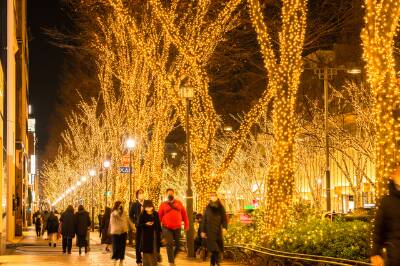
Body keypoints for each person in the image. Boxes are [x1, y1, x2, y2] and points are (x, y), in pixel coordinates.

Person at [371, 166, 400, 266]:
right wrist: (375, 253)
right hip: (395, 258)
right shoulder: (387, 202)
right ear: (393, 176)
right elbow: (378, 231)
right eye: (398, 173)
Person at [158, 188, 189, 266]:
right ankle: (171, 262)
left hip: (177, 227)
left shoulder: (179, 203)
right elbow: (159, 217)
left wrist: (186, 224)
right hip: (166, 227)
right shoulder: (163, 204)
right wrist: (158, 228)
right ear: (166, 195)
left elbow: (184, 214)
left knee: (178, 245)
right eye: (169, 193)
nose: (170, 195)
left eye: (172, 193)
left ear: (173, 194)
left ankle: (172, 258)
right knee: (169, 243)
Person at [201, 192, 228, 266]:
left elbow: (224, 219)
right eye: (211, 196)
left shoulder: (221, 207)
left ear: (217, 197)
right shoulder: (207, 207)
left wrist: (224, 227)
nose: (213, 197)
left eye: (214, 196)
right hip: (209, 231)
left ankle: (212, 263)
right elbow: (204, 220)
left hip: (217, 231)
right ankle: (218, 263)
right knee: (215, 248)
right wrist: (203, 231)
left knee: (216, 248)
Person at [138, 200, 162, 266]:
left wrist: (161, 234)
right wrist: (146, 224)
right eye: (147, 207)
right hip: (146, 237)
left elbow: (158, 225)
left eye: (150, 207)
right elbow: (138, 225)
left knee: (154, 253)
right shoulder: (142, 214)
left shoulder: (155, 214)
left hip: (154, 236)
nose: (149, 208)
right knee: (146, 254)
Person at [130, 189, 145, 266]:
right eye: (139, 193)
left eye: (142, 193)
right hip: (138, 227)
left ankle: (145, 259)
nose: (141, 194)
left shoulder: (147, 203)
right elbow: (130, 216)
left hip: (147, 227)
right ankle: (138, 260)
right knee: (138, 243)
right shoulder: (134, 205)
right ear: (137, 195)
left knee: (146, 243)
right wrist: (134, 224)